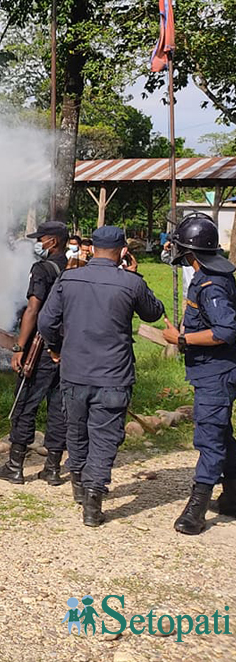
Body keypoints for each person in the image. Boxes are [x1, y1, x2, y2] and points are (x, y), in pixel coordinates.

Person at [38, 225, 165, 527]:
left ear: (92, 248)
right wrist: (135, 274)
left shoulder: (68, 279)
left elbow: (46, 321)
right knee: (105, 436)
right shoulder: (130, 283)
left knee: (77, 429)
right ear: (123, 252)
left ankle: (79, 484)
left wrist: (56, 348)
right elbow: (154, 313)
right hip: (113, 374)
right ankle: (94, 499)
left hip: (74, 371)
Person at [161, 213, 236, 534]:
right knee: (221, 434)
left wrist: (180, 339)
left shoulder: (211, 285)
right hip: (213, 370)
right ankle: (233, 497)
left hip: (216, 373)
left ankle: (197, 508)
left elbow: (225, 330)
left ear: (188, 250)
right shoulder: (209, 275)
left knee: (209, 437)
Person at [0, 220, 70, 486]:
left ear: (54, 241)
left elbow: (33, 310)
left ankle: (15, 466)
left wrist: (20, 348)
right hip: (68, 348)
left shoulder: (42, 269)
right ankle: (53, 468)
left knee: (24, 405)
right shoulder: (75, 268)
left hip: (41, 346)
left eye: (43, 238)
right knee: (59, 408)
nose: (39, 242)